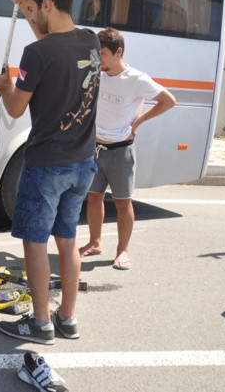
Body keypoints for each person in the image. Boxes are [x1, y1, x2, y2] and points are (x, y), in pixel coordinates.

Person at [0, 0, 100, 357]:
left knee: (35, 243)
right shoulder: (90, 40)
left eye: (35, 8)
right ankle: (66, 318)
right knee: (67, 238)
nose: (33, 14)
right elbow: (52, 45)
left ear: (49, 6)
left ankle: (39, 323)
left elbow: (17, 108)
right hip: (83, 162)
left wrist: (5, 88)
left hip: (46, 165)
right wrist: (24, 6)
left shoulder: (36, 55)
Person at [80, 27, 176, 270]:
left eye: (102, 54)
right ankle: (95, 242)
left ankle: (123, 251)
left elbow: (168, 101)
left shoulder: (136, 78)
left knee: (123, 203)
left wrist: (139, 121)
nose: (98, 59)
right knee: (93, 198)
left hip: (121, 151)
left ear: (118, 52)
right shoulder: (96, 73)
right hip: (94, 148)